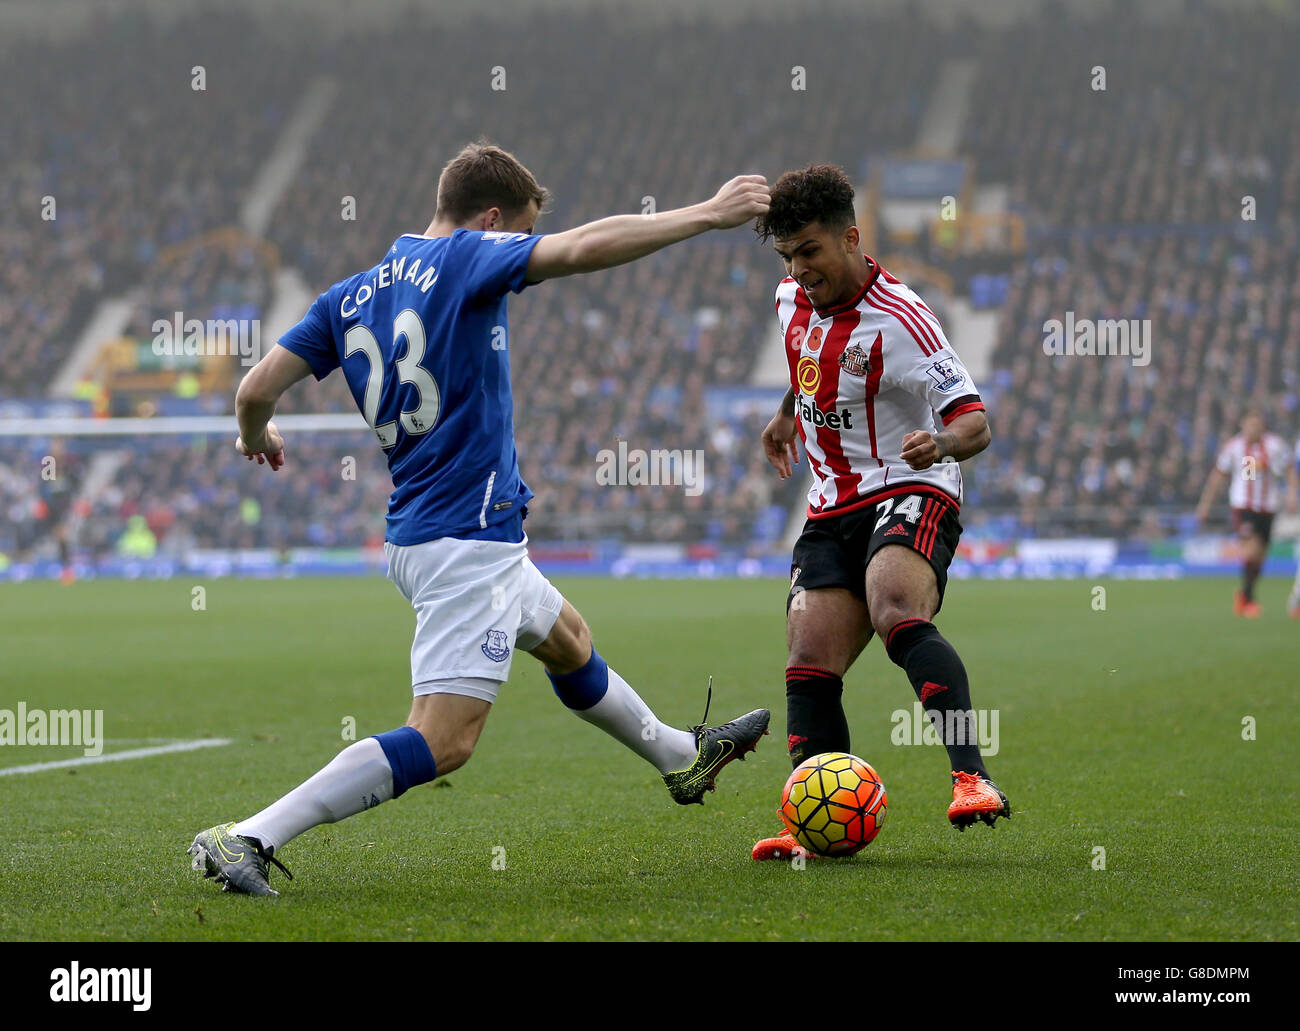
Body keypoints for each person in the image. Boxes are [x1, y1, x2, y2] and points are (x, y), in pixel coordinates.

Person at [189, 142, 772, 895]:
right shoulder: (469, 256)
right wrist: (708, 214)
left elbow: (253, 389)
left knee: (568, 642)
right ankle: (246, 836)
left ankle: (677, 757)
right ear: (494, 221)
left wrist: (252, 435)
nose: (520, 247)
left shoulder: (349, 295)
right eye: (519, 231)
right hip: (464, 540)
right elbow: (587, 246)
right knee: (444, 740)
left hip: (437, 532)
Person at [748, 165, 1008, 861]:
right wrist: (783, 417)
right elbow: (805, 362)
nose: (799, 270)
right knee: (808, 657)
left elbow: (976, 422)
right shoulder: (789, 299)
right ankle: (814, 826)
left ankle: (971, 777)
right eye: (787, 257)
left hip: (910, 483)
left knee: (894, 605)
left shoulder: (905, 320)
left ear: (851, 238)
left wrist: (941, 440)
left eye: (809, 251)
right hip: (832, 498)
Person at [1195, 409, 1291, 617]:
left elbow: (1289, 469)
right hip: (1243, 506)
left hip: (1268, 507)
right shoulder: (1233, 447)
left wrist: (1293, 494)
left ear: (1263, 427)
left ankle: (1244, 595)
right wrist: (1205, 504)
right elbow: (1218, 476)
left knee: (1260, 557)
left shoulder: (1275, 445)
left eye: (1257, 425)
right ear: (1242, 425)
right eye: (1250, 425)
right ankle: (1248, 600)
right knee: (1251, 550)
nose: (1253, 429)